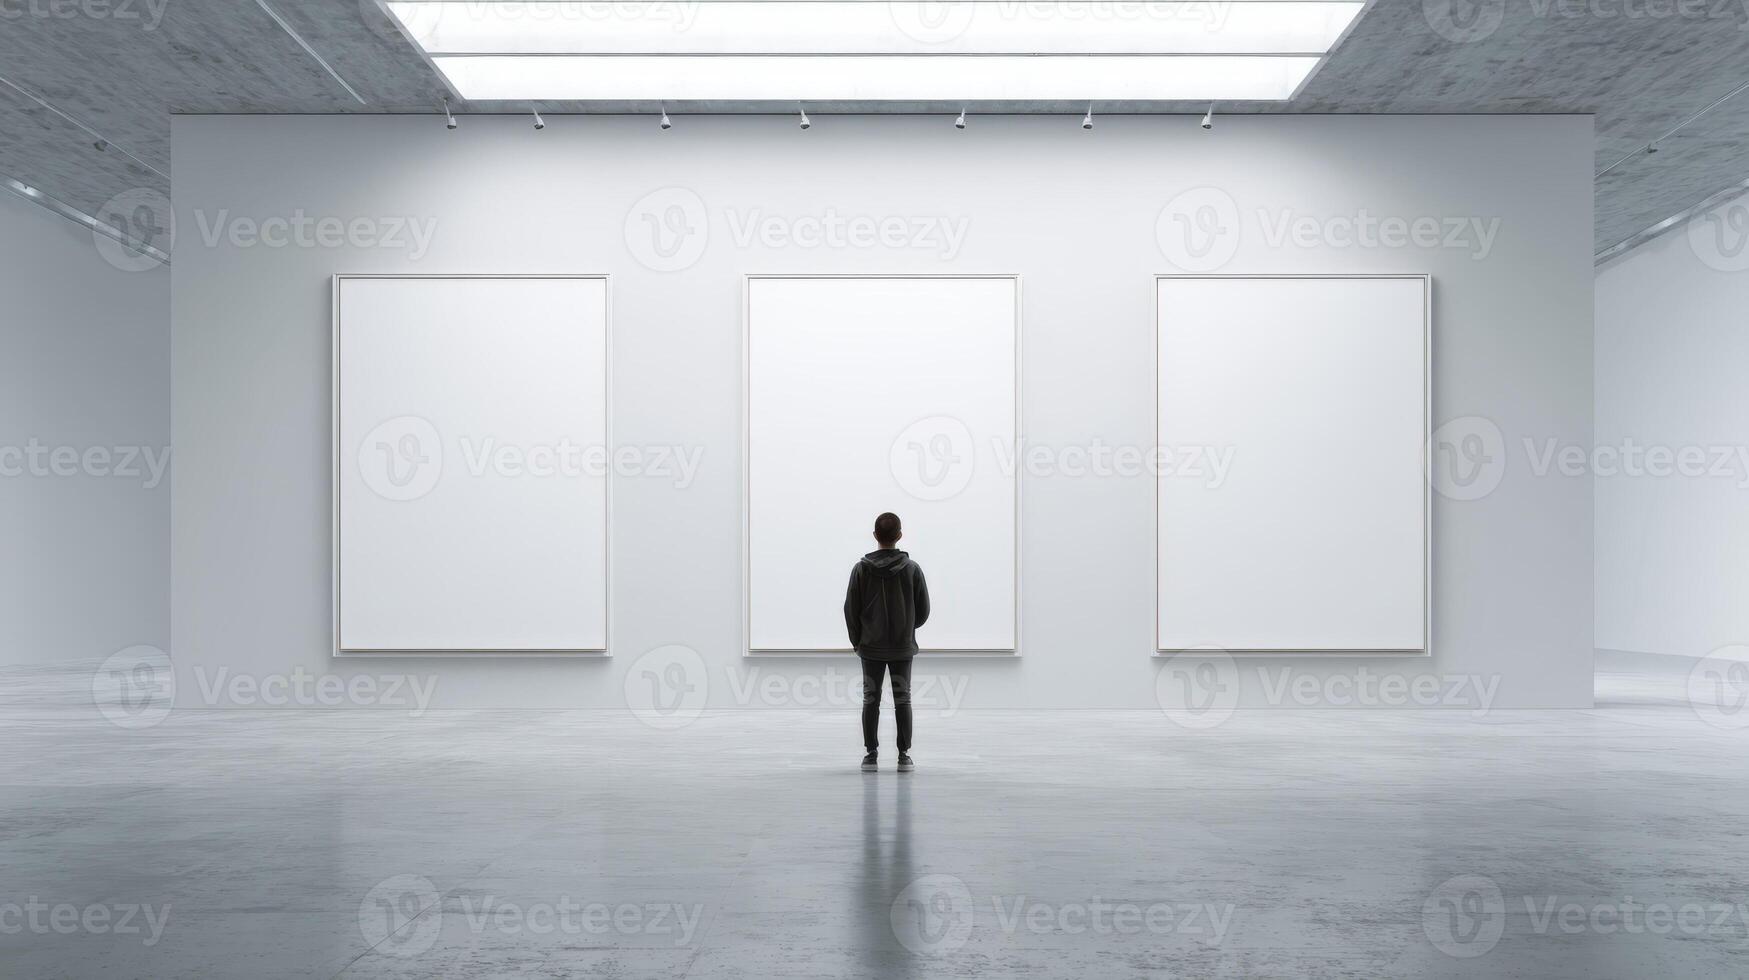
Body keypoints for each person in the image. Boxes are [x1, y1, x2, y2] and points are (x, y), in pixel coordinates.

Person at [844, 512, 930, 772]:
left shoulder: (861, 569)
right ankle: (904, 755)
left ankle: (871, 754)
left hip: (870, 647)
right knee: (903, 699)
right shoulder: (912, 569)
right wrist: (906, 627)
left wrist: (857, 641)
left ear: (874, 536)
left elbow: (850, 609)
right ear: (900, 536)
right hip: (902, 646)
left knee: (871, 699)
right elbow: (923, 610)